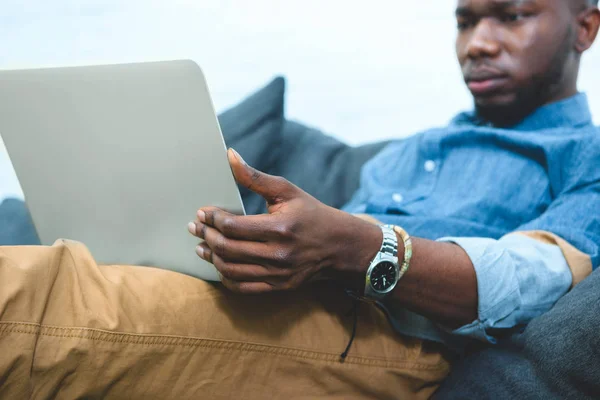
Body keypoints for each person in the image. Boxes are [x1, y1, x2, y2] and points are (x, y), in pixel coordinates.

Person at [1, 0, 599, 398]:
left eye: (511, 16)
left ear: (585, 26)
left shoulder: (586, 155)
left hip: (390, 339)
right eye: (465, 22)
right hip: (292, 305)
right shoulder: (418, 146)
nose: (478, 43)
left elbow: (539, 273)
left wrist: (360, 249)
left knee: (36, 293)